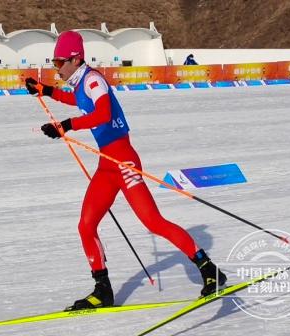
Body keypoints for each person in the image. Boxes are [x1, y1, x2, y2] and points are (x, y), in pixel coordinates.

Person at [25, 31, 226, 311]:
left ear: (75, 58)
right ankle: (102, 290)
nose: (56, 68)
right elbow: (76, 100)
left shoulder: (94, 80)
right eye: (54, 63)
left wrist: (65, 126)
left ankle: (209, 269)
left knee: (153, 221)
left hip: (124, 161)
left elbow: (103, 114)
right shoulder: (81, 82)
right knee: (85, 225)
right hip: (107, 165)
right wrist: (45, 90)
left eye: (59, 63)